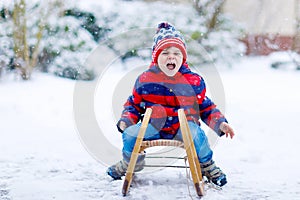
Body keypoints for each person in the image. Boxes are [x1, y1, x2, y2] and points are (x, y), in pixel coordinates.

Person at [107, 22, 235, 187]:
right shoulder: (145, 80)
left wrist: (220, 123)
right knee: (131, 134)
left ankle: (207, 165)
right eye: (165, 53)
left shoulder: (193, 81)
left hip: (184, 128)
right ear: (156, 57)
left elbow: (205, 106)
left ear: (183, 58)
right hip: (153, 127)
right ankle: (131, 161)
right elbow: (134, 104)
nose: (171, 57)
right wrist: (127, 120)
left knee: (197, 135)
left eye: (176, 53)